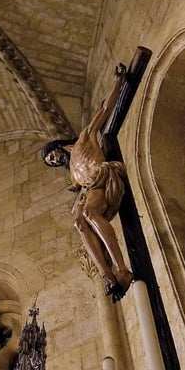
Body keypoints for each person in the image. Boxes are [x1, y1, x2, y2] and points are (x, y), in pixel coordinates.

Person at [41, 65, 134, 301]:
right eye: (50, 162)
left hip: (103, 177)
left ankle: (121, 268)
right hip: (88, 188)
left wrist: (119, 81)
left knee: (92, 214)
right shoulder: (72, 173)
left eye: (50, 155)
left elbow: (104, 109)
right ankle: (107, 275)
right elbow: (80, 188)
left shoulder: (84, 138)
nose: (52, 160)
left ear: (58, 145)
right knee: (80, 223)